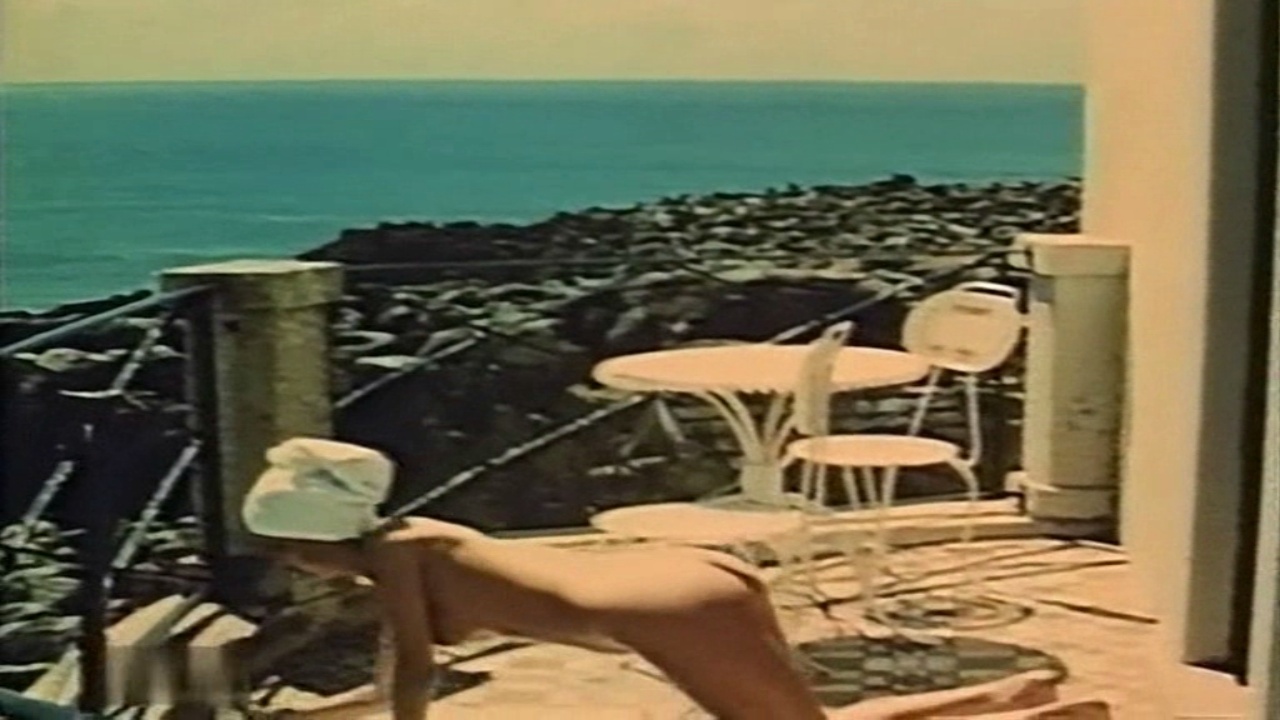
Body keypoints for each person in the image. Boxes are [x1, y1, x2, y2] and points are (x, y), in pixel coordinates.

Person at [241, 438, 1111, 720]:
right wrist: (333, 714)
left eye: (286, 550)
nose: (290, 564)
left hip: (655, 607)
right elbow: (400, 664)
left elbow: (418, 665)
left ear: (314, 540)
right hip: (675, 577)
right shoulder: (420, 539)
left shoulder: (395, 557)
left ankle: (1020, 706)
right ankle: (1016, 700)